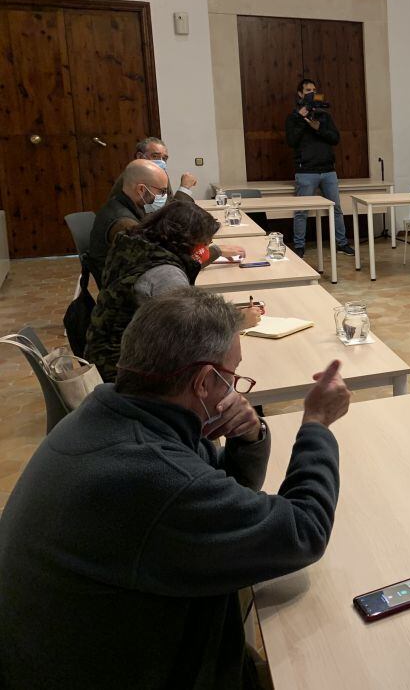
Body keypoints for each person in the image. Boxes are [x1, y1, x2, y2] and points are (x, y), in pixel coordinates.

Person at [0, 288, 351, 690]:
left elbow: (221, 498)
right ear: (203, 381)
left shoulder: (113, 413)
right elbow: (303, 532)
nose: (236, 390)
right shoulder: (151, 475)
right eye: (231, 376)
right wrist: (317, 424)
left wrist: (249, 437)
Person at [85, 200, 261, 382]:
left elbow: (185, 262)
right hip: (125, 372)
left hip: (103, 352)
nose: (205, 249)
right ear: (187, 241)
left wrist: (215, 252)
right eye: (204, 244)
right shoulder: (165, 276)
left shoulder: (135, 246)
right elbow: (189, 331)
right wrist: (238, 320)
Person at [285, 78, 355, 258]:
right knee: (302, 211)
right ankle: (299, 246)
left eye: (314, 90)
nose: (311, 93)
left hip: (328, 171)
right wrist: (302, 119)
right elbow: (291, 141)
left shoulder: (324, 116)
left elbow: (335, 139)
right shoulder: (293, 117)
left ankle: (342, 243)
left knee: (336, 208)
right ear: (300, 93)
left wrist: (318, 128)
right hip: (306, 171)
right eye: (308, 90)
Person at [86, 158, 172, 287]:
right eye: (162, 191)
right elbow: (152, 259)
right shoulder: (124, 223)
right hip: (125, 292)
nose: (164, 196)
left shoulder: (124, 204)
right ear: (141, 190)